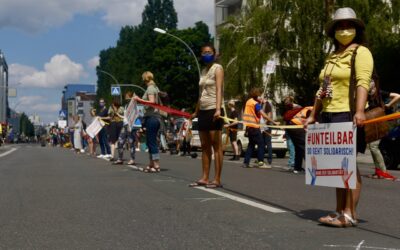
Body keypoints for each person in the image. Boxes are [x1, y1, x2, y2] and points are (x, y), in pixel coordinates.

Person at [304, 7, 373, 227]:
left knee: (348, 165)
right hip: (328, 114)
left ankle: (349, 214)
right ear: (333, 31)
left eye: (348, 25)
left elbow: (363, 82)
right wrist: (313, 114)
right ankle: (338, 211)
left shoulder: (361, 52)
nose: (344, 30)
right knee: (336, 167)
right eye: (340, 26)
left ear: (356, 29)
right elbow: (323, 88)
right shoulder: (332, 56)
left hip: (348, 114)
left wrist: (360, 111)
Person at [189, 44, 224, 188]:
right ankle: (204, 177)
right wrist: (196, 111)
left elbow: (219, 89)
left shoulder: (218, 68)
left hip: (213, 109)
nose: (207, 54)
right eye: (204, 52)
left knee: (216, 146)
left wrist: (218, 109)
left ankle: (216, 179)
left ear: (214, 54)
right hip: (203, 110)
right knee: (204, 146)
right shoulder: (203, 71)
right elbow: (201, 93)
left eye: (209, 52)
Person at [367, 81, 400, 179]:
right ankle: (378, 172)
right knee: (372, 146)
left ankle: (382, 172)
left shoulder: (380, 93)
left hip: (380, 123)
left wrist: (388, 105)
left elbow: (398, 96)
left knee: (373, 146)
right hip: (372, 123)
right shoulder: (366, 95)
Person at [242, 87, 279, 168]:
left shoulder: (248, 101)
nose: (260, 96)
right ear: (256, 95)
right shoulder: (256, 104)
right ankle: (261, 162)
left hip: (248, 126)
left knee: (251, 145)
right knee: (261, 144)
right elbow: (263, 114)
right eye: (259, 95)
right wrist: (274, 122)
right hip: (255, 126)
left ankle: (246, 162)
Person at [134, 71, 162, 173]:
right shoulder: (155, 87)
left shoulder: (150, 88)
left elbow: (152, 102)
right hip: (154, 118)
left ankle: (156, 164)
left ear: (145, 78)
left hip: (152, 117)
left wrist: (139, 100)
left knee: (152, 142)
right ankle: (151, 164)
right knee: (150, 142)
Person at [283, 96, 312, 174]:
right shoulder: (302, 108)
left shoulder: (292, 109)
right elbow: (311, 119)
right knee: (303, 146)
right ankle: (311, 167)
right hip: (297, 128)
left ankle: (297, 167)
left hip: (292, 128)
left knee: (298, 148)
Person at [113, 92, 136, 165]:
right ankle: (120, 159)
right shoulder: (126, 106)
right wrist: (119, 115)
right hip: (124, 125)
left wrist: (132, 126)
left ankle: (132, 159)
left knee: (131, 142)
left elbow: (135, 115)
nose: (126, 97)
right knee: (120, 141)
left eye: (127, 96)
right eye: (125, 96)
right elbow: (125, 116)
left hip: (130, 126)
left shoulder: (133, 105)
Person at [261, 97, 274, 166]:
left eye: (261, 98)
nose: (260, 99)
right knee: (262, 143)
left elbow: (269, 116)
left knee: (268, 142)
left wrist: (264, 124)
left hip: (267, 126)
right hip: (263, 126)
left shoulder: (267, 105)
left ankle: (270, 159)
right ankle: (261, 159)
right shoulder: (262, 105)